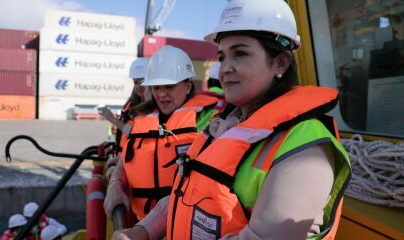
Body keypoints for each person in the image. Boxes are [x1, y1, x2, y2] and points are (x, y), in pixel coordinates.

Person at [111, 0, 351, 239]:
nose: (224, 68)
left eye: (240, 54)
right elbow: (185, 196)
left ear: (280, 62)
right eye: (222, 56)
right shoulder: (224, 128)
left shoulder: (305, 149)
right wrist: (141, 231)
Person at [104, 45, 219, 222]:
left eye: (169, 87)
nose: (161, 94)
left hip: (183, 223)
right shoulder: (142, 119)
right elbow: (129, 158)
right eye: (156, 87)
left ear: (188, 86)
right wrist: (115, 183)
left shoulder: (209, 120)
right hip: (141, 221)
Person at [99, 57, 150, 179]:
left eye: (142, 82)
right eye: (135, 82)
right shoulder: (131, 105)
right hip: (124, 160)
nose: (138, 86)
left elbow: (135, 133)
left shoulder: (155, 109)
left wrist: (111, 118)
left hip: (138, 165)